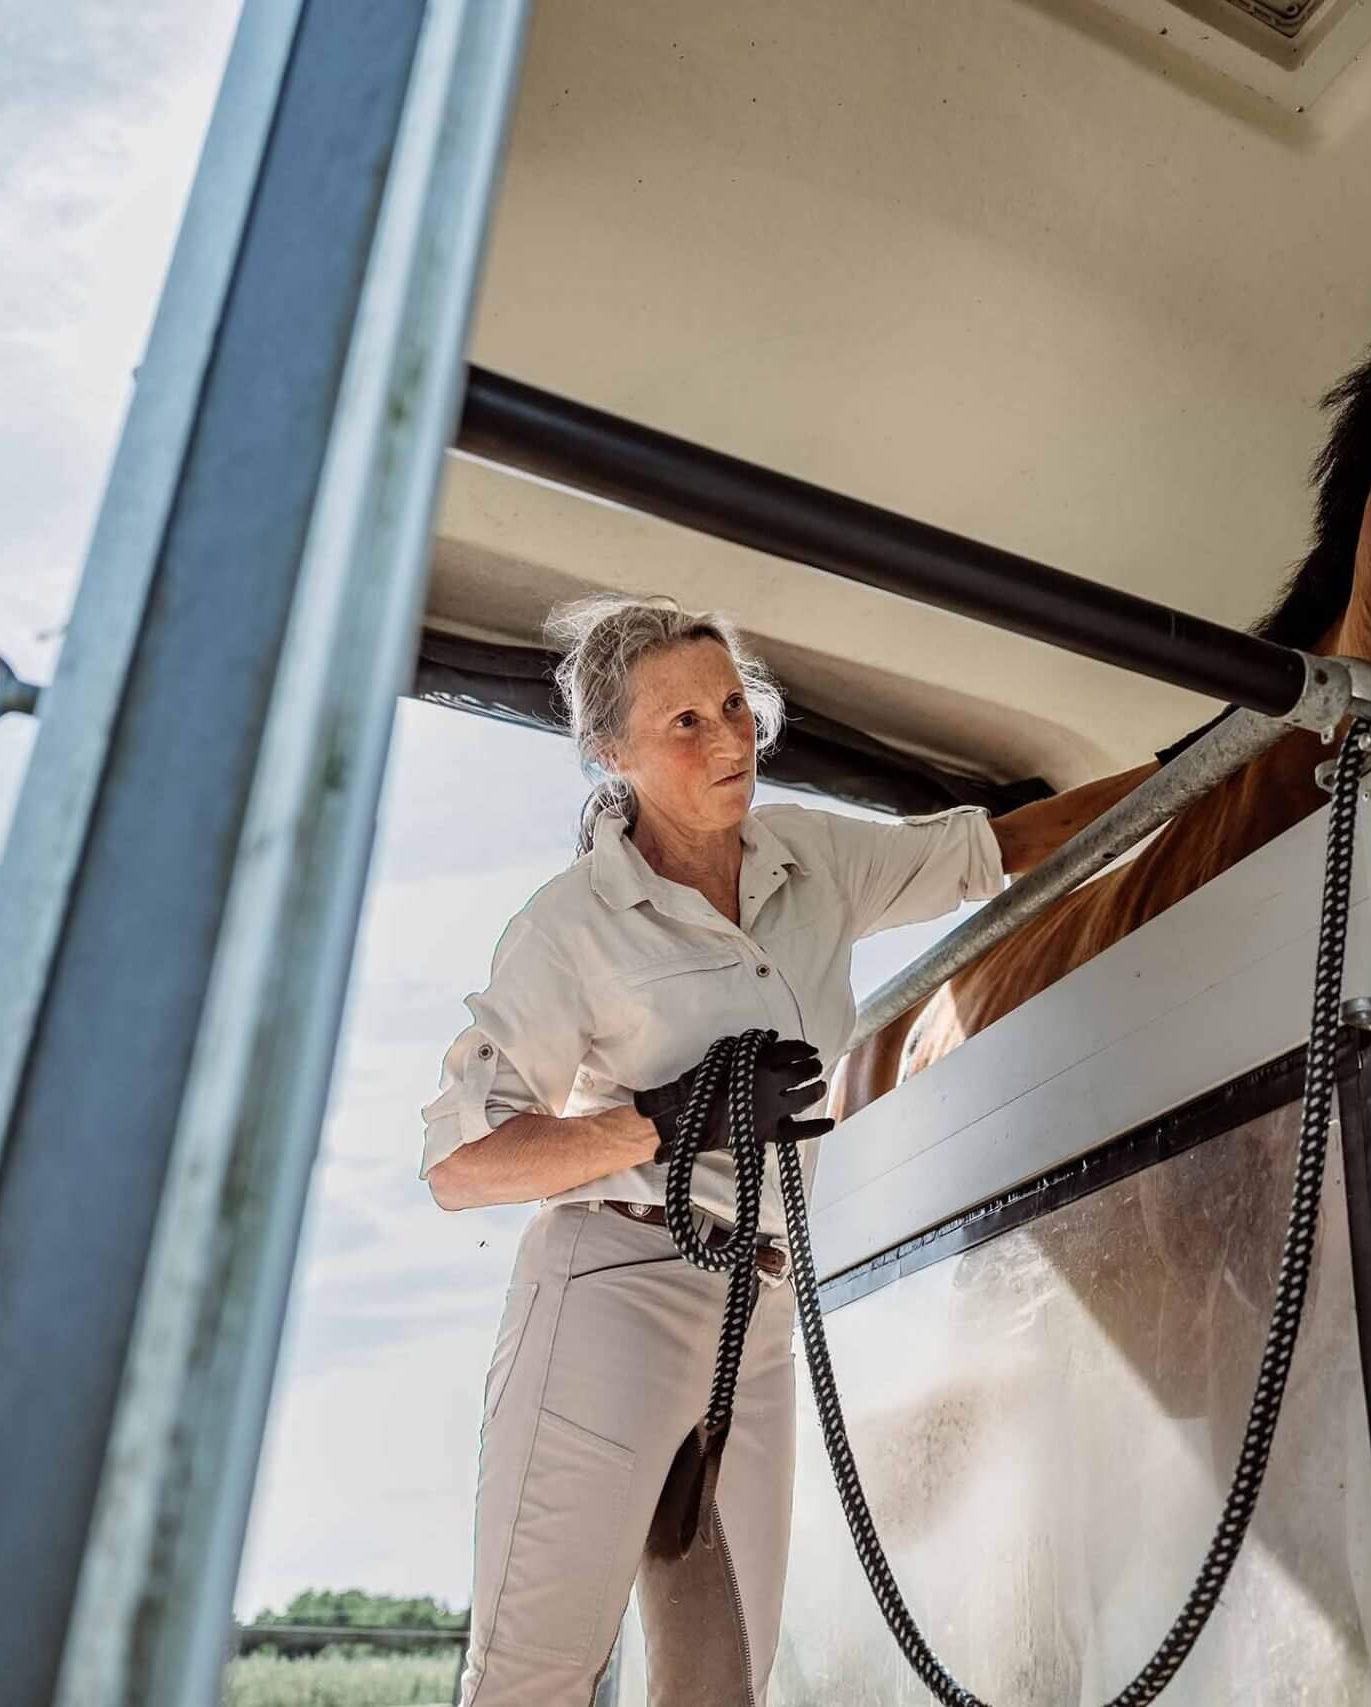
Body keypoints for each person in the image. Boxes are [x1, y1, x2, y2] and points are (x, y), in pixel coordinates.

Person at [422, 594, 1144, 1705]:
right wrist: (668, 1119)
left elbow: (1001, 848)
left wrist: (1233, 753)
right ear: (611, 753)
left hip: (758, 1311)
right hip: (612, 1289)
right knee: (536, 1677)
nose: (729, 739)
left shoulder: (812, 858)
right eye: (685, 724)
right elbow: (463, 1168)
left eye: (733, 706)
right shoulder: (570, 926)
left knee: (724, 1683)